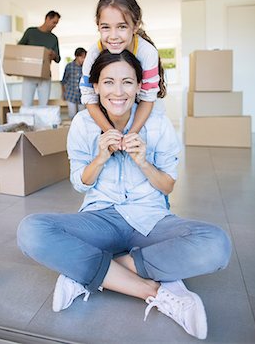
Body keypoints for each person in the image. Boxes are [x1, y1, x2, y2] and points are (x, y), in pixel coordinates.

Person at [17, 50, 232, 340]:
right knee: (31, 231)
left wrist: (144, 161)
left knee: (217, 244)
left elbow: (167, 186)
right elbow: (80, 183)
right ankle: (155, 290)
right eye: (108, 82)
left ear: (139, 86)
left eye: (127, 82)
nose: (118, 92)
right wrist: (101, 156)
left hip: (151, 219)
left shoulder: (157, 124)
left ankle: (87, 272)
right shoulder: (82, 124)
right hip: (100, 219)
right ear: (95, 87)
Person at [80, 0, 166, 151]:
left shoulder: (147, 53)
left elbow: (148, 99)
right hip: (110, 114)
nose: (113, 36)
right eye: (106, 27)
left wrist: (130, 137)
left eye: (121, 27)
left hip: (143, 111)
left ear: (135, 26)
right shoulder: (93, 54)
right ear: (97, 26)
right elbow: (89, 97)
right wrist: (111, 132)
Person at [19, 10, 61, 106]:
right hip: (29, 74)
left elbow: (58, 59)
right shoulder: (31, 32)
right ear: (47, 19)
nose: (55, 25)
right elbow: (19, 48)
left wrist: (53, 55)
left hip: (45, 75)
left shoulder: (53, 38)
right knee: (26, 104)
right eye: (54, 22)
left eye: (56, 23)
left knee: (44, 105)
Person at [61, 47, 87, 119]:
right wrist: (63, 93)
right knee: (72, 115)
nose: (83, 59)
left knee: (82, 116)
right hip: (70, 95)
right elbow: (64, 81)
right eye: (82, 57)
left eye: (85, 57)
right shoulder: (69, 66)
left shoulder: (85, 67)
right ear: (76, 56)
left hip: (81, 96)